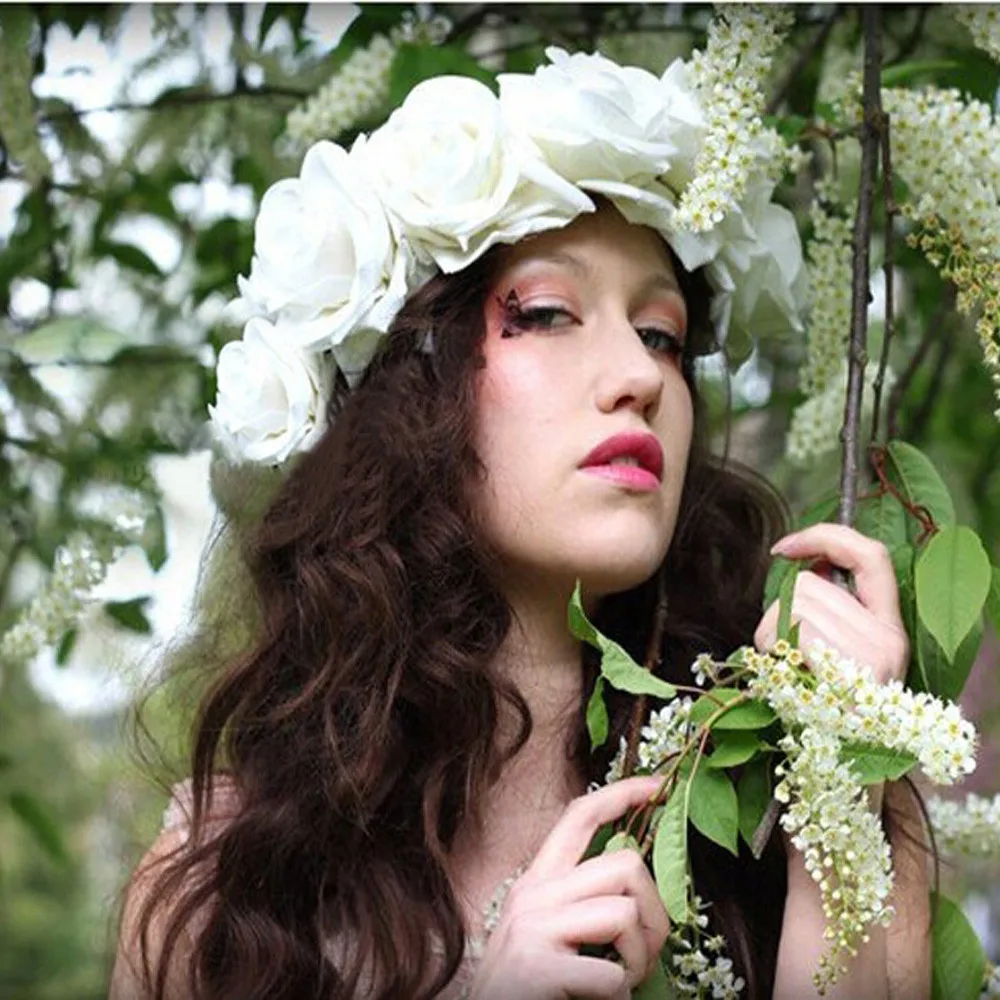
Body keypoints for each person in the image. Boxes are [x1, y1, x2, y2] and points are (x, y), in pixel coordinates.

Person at [109, 46, 932, 1000]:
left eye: (662, 335)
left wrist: (835, 794)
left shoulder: (801, 800)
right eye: (545, 313)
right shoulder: (221, 884)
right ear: (409, 393)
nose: (638, 376)